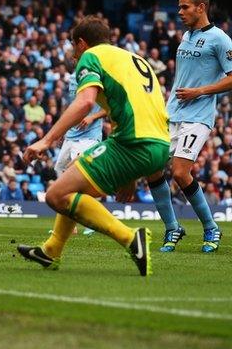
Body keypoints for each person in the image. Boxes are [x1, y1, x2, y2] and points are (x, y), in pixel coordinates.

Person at [17, 16, 170, 277]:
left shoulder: (91, 57)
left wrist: (47, 139)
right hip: (160, 145)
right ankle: (51, 250)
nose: (74, 54)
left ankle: (131, 238)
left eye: (73, 47)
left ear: (81, 43)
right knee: (73, 183)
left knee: (56, 195)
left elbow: (85, 102)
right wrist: (131, 173)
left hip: (132, 143)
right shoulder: (134, 59)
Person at [150, 0, 230, 253]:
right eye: (179, 7)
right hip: (172, 112)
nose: (179, 12)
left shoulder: (220, 39)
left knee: (180, 172)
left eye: (185, 7)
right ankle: (172, 227)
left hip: (198, 115)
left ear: (201, 7)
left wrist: (200, 91)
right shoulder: (185, 36)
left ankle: (210, 227)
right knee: (151, 167)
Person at [53, 73, 106, 236]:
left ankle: (91, 221)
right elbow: (71, 106)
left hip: (89, 137)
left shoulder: (99, 77)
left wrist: (92, 117)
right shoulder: (71, 77)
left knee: (80, 178)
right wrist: (62, 129)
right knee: (60, 172)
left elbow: (110, 106)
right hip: (71, 135)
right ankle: (71, 225)